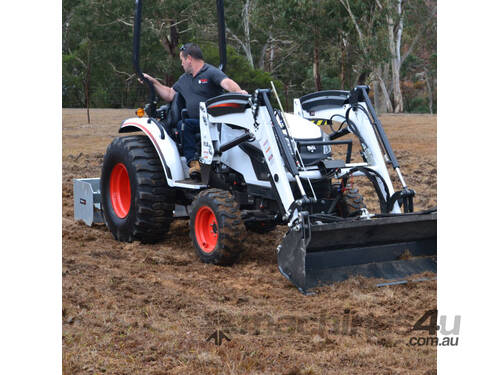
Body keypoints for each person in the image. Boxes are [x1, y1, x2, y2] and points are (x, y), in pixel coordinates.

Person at [141, 43, 248, 179]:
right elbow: (169, 94)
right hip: (195, 122)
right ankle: (194, 164)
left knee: (185, 125)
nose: (182, 64)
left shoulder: (210, 72)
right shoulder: (184, 79)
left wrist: (239, 92)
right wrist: (152, 82)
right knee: (184, 125)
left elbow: (226, 82)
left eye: (182, 60)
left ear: (189, 59)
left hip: (213, 122)